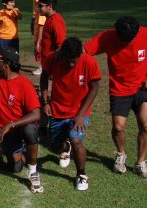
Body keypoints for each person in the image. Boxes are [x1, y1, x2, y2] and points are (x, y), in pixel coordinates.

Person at [84, 16, 147, 180]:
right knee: (118, 127)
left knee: (145, 123)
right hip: (119, 89)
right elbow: (86, 52)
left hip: (141, 88)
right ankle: (121, 154)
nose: (126, 42)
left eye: (131, 38)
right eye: (123, 39)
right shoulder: (107, 37)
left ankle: (140, 163)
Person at [39, 38, 101, 191]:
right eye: (69, 60)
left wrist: (80, 115)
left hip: (79, 111)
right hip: (58, 109)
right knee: (54, 146)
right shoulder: (54, 58)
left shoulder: (89, 62)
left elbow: (94, 88)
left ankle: (81, 175)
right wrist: (45, 102)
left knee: (76, 140)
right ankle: (65, 147)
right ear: (62, 54)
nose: (72, 64)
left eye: (75, 60)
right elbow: (44, 76)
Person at [0, 47, 43, 193]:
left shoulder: (24, 84)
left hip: (18, 128)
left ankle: (33, 171)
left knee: (30, 130)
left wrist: (11, 124)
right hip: (3, 131)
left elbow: (36, 114)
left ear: (6, 64)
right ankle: (16, 151)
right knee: (15, 168)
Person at [35, 0, 66, 69]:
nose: (38, 8)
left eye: (41, 6)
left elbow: (61, 45)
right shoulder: (48, 19)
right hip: (47, 63)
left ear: (49, 6)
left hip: (53, 64)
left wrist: (55, 66)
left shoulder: (55, 21)